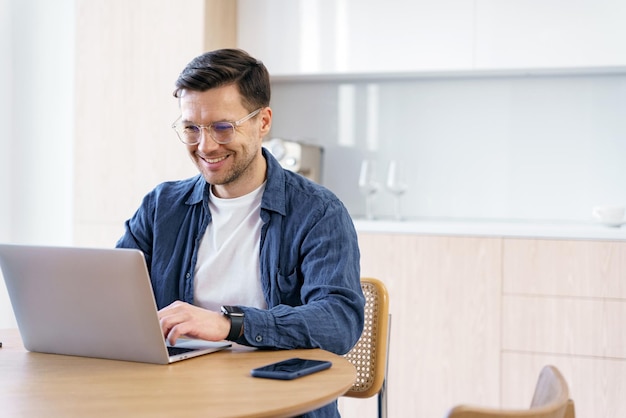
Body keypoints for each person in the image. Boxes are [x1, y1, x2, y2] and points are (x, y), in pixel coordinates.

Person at [116, 48, 365, 417]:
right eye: (191, 128)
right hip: (177, 400)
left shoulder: (318, 211)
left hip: (280, 406)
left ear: (263, 122)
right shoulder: (160, 206)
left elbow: (338, 320)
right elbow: (115, 299)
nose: (205, 146)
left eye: (222, 127)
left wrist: (229, 324)